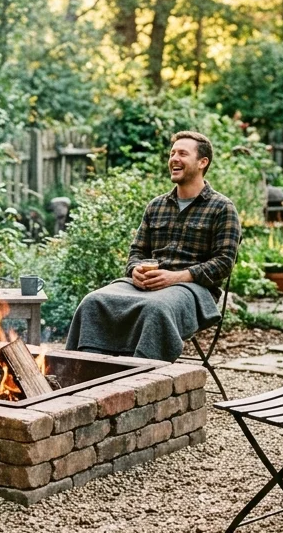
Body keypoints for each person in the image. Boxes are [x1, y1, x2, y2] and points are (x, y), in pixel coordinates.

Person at [65, 131, 241, 362]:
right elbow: (137, 252)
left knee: (155, 309)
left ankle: (143, 377)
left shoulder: (222, 208)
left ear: (202, 162)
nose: (174, 158)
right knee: (93, 302)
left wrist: (176, 277)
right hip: (148, 284)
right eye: (172, 153)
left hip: (194, 289)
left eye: (182, 153)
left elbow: (224, 263)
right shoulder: (156, 206)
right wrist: (135, 270)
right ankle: (86, 369)